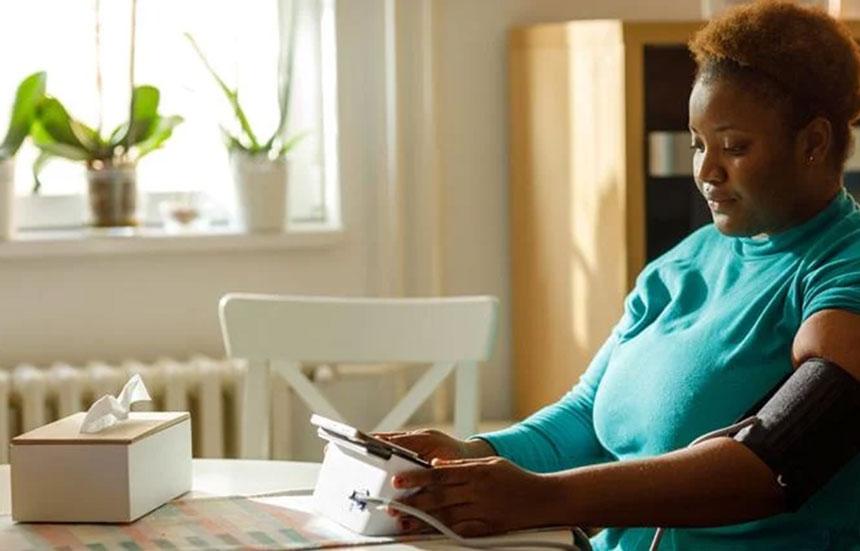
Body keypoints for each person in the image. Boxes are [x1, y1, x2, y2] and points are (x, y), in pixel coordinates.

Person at [377, 2, 860, 549]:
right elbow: (584, 418)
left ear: (814, 143)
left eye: (734, 147)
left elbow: (777, 463)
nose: (705, 171)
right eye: (698, 143)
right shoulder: (680, 267)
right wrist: (468, 456)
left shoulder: (844, 265)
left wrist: (542, 498)